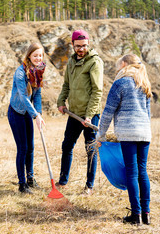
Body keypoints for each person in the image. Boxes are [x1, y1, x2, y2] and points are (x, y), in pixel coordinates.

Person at [97, 54, 152, 225]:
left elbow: (107, 112)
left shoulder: (120, 83)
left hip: (128, 133)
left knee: (132, 171)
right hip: (144, 133)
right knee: (142, 171)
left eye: (118, 65)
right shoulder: (144, 83)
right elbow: (148, 113)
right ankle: (146, 214)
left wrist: (101, 135)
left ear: (124, 64)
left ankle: (135, 215)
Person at [56, 30, 104, 195]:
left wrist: (89, 115)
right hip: (74, 114)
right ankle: (63, 182)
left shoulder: (95, 62)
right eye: (78, 46)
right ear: (73, 45)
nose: (81, 49)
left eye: (84, 46)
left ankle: (89, 186)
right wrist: (61, 102)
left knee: (90, 149)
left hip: (90, 115)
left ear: (88, 44)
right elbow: (66, 86)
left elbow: (97, 91)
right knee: (67, 146)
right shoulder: (70, 62)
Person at [8, 43, 46, 194]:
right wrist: (35, 115)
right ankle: (22, 184)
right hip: (16, 112)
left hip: (27, 113)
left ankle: (30, 179)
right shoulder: (20, 72)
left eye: (40, 55)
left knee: (30, 147)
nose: (38, 58)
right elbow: (24, 97)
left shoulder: (39, 71)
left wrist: (39, 113)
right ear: (29, 55)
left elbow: (37, 95)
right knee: (22, 148)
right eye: (35, 55)